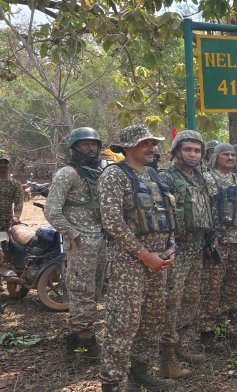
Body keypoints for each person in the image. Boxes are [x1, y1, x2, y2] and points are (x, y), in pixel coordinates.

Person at [98, 124, 176, 392]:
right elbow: (112, 222)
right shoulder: (114, 176)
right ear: (129, 147)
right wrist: (144, 255)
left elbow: (167, 213)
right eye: (146, 144)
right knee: (124, 322)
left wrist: (171, 247)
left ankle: (140, 373)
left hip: (159, 261)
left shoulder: (154, 175)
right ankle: (113, 382)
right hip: (129, 262)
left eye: (153, 143)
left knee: (152, 319)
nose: (152, 148)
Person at [44, 127, 106, 360]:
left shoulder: (99, 172)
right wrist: (73, 233)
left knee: (97, 288)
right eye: (84, 144)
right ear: (74, 148)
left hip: (101, 239)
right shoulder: (68, 173)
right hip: (81, 242)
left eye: (94, 144)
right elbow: (52, 210)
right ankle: (82, 341)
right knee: (81, 290)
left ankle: (79, 331)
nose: (90, 148)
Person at [158, 130, 213, 378]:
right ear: (177, 151)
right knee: (171, 302)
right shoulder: (165, 178)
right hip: (176, 250)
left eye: (197, 150)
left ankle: (181, 346)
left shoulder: (199, 178)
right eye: (188, 149)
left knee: (191, 300)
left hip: (197, 247)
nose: (193, 154)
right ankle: (166, 359)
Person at [202, 143, 237, 343]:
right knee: (213, 285)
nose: (230, 158)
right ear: (216, 157)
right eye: (226, 155)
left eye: (233, 155)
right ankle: (207, 329)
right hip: (218, 241)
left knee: (233, 283)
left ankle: (222, 324)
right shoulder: (208, 178)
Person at [0, 152, 23, 231]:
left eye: (5, 163)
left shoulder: (15, 184)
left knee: (4, 241)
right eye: (0, 163)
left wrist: (16, 216)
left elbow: (19, 202)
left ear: (9, 165)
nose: (3, 165)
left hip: (6, 221)